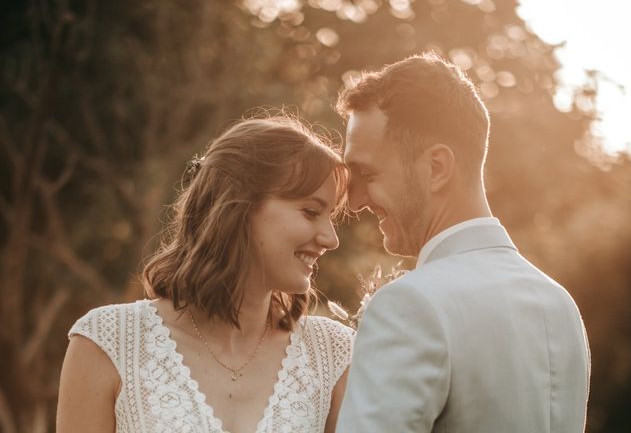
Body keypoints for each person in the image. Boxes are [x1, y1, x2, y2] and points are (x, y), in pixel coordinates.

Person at [335, 53, 591, 432]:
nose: (354, 201)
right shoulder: (560, 305)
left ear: (436, 168)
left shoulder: (410, 305)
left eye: (367, 173)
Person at [57, 115, 355, 433]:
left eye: (331, 217)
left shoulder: (333, 355)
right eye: (311, 212)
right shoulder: (108, 342)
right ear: (238, 206)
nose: (330, 238)